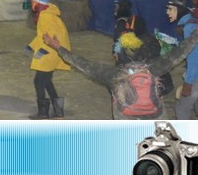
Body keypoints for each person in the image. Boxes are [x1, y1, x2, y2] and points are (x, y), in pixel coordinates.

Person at [43, 29, 198, 120]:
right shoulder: (155, 67)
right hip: (155, 117)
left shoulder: (113, 74)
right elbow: (182, 50)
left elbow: (81, 63)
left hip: (126, 118)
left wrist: (59, 48)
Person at [25, 0, 70, 120]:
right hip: (53, 52)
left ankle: (43, 113)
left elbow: (50, 37)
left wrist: (42, 51)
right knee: (46, 81)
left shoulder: (46, 16)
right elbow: (42, 36)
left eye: (33, 1)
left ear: (39, 3)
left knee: (39, 81)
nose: (32, 3)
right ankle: (58, 112)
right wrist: (31, 46)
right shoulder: (46, 14)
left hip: (50, 53)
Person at [166, 0, 198, 119]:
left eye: (170, 9)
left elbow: (194, 56)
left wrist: (188, 82)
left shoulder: (190, 26)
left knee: (182, 108)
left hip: (195, 75)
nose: (167, 12)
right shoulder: (191, 20)